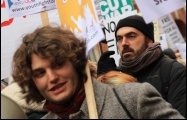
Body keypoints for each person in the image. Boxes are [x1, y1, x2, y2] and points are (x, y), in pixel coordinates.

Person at [11, 25, 184, 119]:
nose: (52, 77)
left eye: (58, 64)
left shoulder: (134, 98)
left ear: (75, 62)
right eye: (40, 73)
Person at [97, 14, 186, 118]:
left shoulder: (173, 71)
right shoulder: (118, 75)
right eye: (119, 39)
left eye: (131, 36)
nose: (124, 43)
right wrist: (105, 81)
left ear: (149, 40)